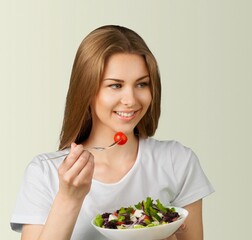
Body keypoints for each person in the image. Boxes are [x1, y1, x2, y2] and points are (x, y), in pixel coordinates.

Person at [10, 25, 214, 240]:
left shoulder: (177, 161)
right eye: (115, 86)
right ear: (87, 90)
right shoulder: (45, 172)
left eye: (142, 84)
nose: (131, 100)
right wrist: (69, 198)